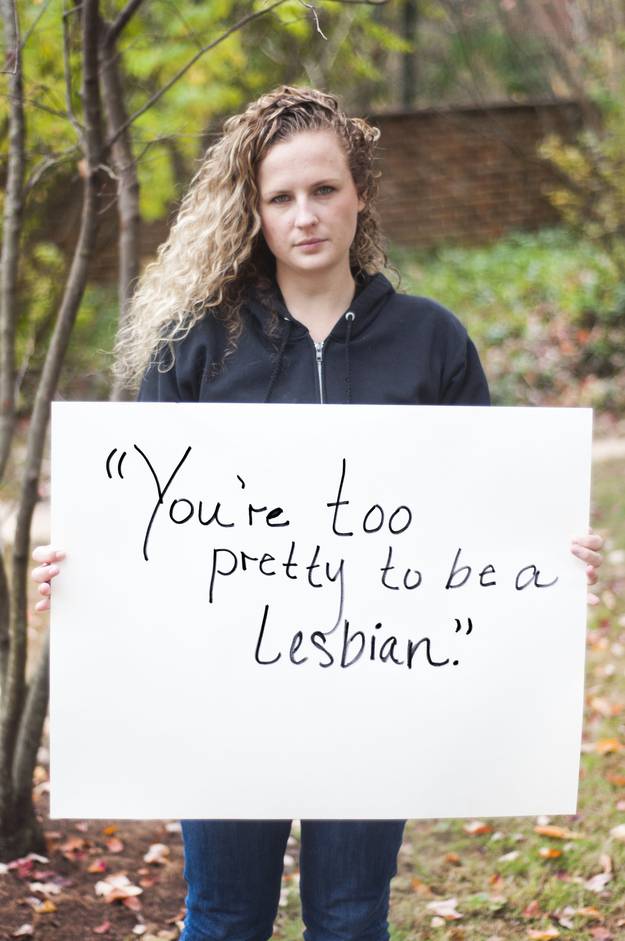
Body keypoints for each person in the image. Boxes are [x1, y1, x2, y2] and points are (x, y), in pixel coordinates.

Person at [32, 86, 604, 941]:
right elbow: (143, 522)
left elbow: (481, 518)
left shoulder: (431, 342)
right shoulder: (197, 347)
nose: (304, 215)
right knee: (224, 916)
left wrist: (551, 560)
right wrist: (83, 573)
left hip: (375, 690)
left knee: (348, 915)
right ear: (254, 211)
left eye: (324, 189)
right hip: (223, 692)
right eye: (281, 197)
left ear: (359, 192)